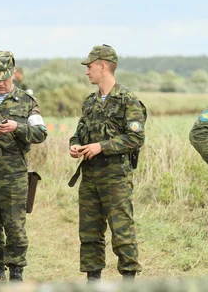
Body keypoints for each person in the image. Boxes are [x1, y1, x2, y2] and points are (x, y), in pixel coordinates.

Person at [68, 44, 146, 282]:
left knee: (121, 230)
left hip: (115, 177)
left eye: (90, 66)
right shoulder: (89, 102)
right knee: (90, 232)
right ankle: (93, 280)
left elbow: (136, 137)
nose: (86, 72)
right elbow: (79, 133)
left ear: (103, 66)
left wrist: (101, 146)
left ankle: (129, 280)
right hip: (90, 176)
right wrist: (75, 145)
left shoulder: (128, 100)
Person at [0, 51, 48, 282]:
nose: (0, 82)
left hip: (14, 168)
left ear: (13, 74)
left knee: (14, 222)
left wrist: (18, 127)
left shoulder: (27, 102)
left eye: (4, 77)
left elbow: (40, 134)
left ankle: (16, 272)